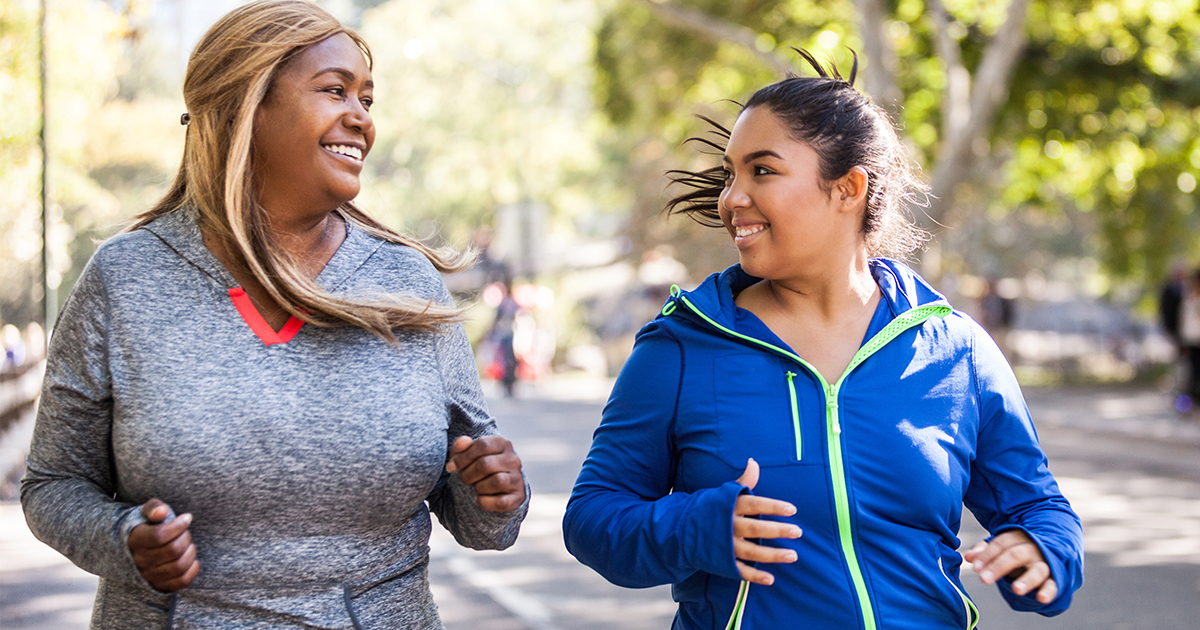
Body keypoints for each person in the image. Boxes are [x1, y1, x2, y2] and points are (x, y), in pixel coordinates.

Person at [21, 2, 528, 628]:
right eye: (334, 91)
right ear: (245, 107)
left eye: (368, 100)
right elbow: (51, 485)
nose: (361, 119)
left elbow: (480, 518)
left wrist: (496, 495)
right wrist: (124, 540)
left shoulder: (405, 281)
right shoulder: (126, 278)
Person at [563, 50, 1082, 629]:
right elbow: (593, 518)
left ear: (848, 188)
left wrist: (1044, 552)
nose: (732, 197)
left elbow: (1037, 505)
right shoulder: (681, 348)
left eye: (762, 171)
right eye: (732, 173)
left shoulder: (956, 350)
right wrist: (695, 528)